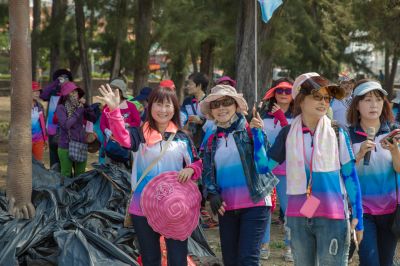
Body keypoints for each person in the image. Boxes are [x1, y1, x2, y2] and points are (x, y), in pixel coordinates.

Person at [252, 72, 364, 266]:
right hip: (298, 217)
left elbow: (350, 175)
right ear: (301, 100)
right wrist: (257, 135)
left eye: (327, 98)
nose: (323, 102)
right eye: (317, 97)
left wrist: (358, 216)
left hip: (333, 214)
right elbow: (263, 167)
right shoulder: (288, 133)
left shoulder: (338, 132)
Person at [97, 84, 202, 266]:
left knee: (177, 260)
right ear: (150, 107)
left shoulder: (182, 138)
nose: (163, 110)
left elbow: (198, 162)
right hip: (143, 207)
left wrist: (191, 169)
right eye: (158, 104)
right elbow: (122, 137)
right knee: (150, 259)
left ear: (175, 109)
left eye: (168, 105)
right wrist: (114, 111)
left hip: (175, 208)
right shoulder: (139, 135)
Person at [200, 84, 277, 266]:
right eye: (215, 104)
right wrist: (211, 194)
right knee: (230, 260)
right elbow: (207, 170)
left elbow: (264, 166)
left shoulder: (250, 130)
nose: (221, 108)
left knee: (247, 260)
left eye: (226, 102)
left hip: (255, 203)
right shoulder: (211, 138)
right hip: (226, 207)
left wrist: (258, 135)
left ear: (236, 105)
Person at [347, 79, 399, 266]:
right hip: (361, 211)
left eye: (378, 99)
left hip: (391, 211)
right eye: (367, 100)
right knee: (369, 261)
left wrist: (394, 151)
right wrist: (359, 155)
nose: (373, 105)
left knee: (386, 262)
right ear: (357, 104)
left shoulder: (394, 132)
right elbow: (342, 172)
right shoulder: (347, 135)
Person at [259, 77, 294, 261]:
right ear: (273, 93)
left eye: (288, 91)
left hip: (289, 171)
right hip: (266, 171)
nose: (283, 94)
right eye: (279, 90)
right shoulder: (263, 116)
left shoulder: (299, 116)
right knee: (264, 209)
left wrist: (282, 118)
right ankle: (264, 245)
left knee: (290, 211)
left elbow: (294, 139)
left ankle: (290, 247)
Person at [56, 82, 96, 178]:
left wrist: (86, 106)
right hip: (65, 146)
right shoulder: (61, 108)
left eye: (76, 92)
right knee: (66, 174)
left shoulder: (80, 106)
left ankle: (78, 193)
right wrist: (78, 111)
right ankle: (66, 193)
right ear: (66, 96)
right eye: (71, 93)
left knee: (80, 175)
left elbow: (93, 118)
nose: (75, 95)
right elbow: (66, 125)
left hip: (81, 145)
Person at [100, 78, 141, 167]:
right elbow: (102, 124)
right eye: (111, 89)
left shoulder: (131, 106)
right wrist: (107, 131)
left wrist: (127, 125)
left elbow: (137, 122)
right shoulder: (107, 107)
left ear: (121, 92)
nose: (112, 92)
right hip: (111, 146)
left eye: (115, 89)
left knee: (126, 174)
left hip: (126, 148)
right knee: (109, 173)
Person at [40, 69, 73, 169]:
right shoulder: (53, 92)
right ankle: (55, 176)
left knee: (66, 157)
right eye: (61, 78)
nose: (63, 80)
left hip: (67, 130)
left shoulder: (72, 93)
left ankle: (67, 179)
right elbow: (43, 95)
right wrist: (55, 82)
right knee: (54, 157)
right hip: (53, 129)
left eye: (65, 78)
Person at [31, 81, 47, 162]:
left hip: (39, 139)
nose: (37, 93)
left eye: (38, 91)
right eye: (35, 91)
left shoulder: (40, 106)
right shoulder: (22, 106)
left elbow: (43, 123)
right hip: (27, 140)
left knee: (38, 163)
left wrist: (45, 138)